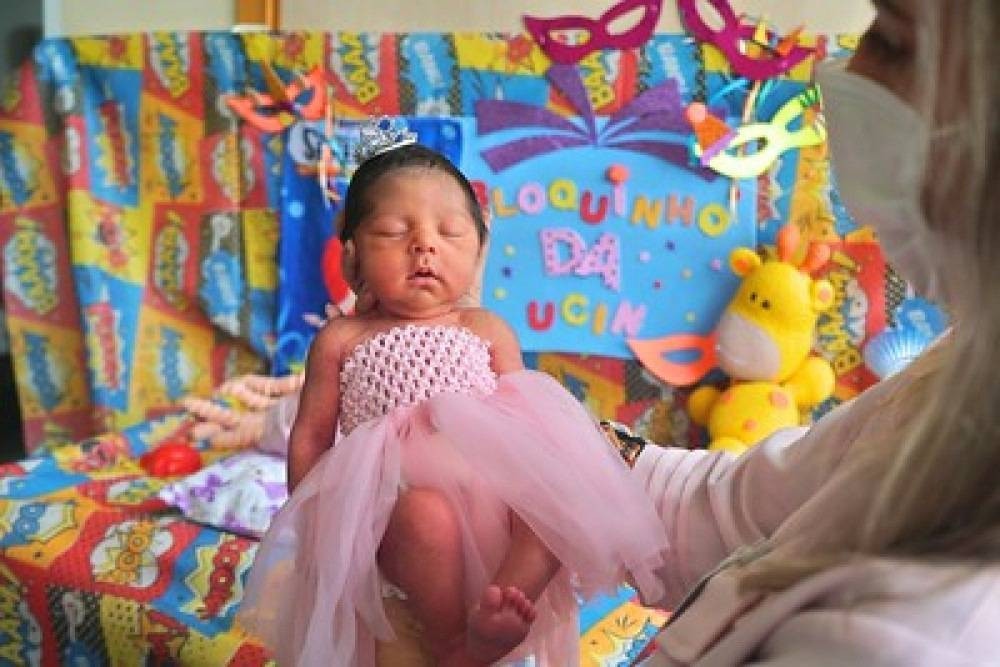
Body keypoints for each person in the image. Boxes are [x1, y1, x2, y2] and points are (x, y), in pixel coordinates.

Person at [606, 0, 1000, 663]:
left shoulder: (926, 633)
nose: (849, 66)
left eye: (896, 40)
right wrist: (562, 442)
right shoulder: (954, 379)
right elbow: (731, 509)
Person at [237, 123, 669, 666]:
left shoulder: (485, 328)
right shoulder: (342, 338)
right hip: (398, 507)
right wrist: (318, 523)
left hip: (494, 498)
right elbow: (310, 437)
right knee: (426, 517)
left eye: (450, 232)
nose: (424, 244)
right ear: (352, 258)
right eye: (394, 232)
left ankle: (505, 602)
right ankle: (454, 643)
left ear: (478, 249)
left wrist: (553, 477)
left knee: (552, 507)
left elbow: (528, 420)